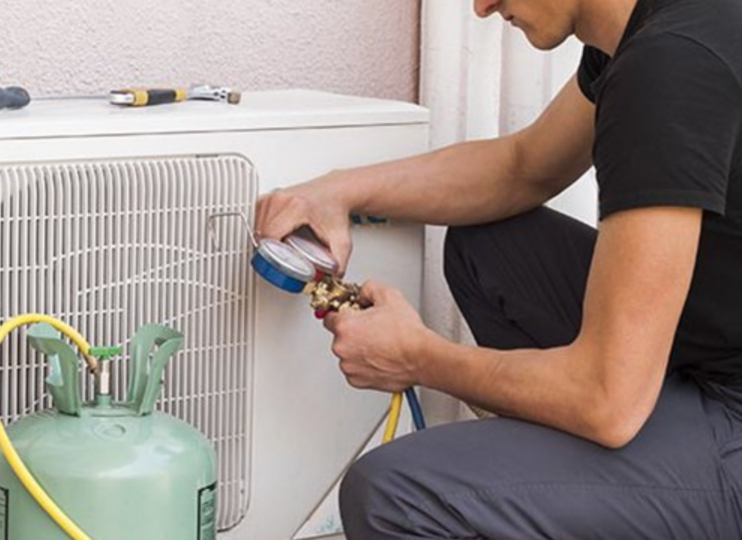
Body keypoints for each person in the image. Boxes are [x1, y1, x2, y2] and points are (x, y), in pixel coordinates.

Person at [254, 0, 742, 537]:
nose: (482, 7)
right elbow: (523, 167)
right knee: (489, 245)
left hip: (729, 419)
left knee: (392, 493)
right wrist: (335, 190)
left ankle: (641, 481)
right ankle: (589, 483)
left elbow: (608, 400)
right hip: (703, 359)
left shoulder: (670, 64)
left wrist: (417, 357)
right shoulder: (654, 27)